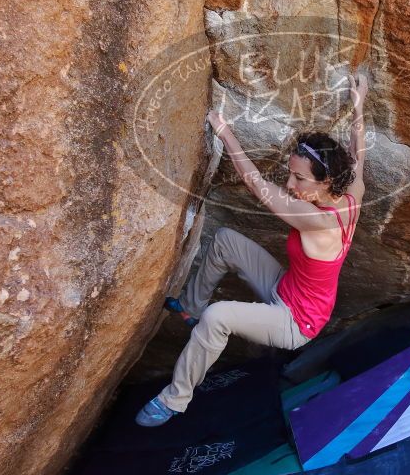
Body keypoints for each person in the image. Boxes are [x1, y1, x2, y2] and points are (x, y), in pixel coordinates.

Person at [135, 73, 370, 427]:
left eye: (299, 179)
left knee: (220, 317)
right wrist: (358, 104)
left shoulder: (315, 218)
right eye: (291, 174)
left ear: (324, 182)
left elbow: (255, 184)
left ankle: (174, 399)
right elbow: (357, 151)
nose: (290, 184)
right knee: (226, 240)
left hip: (295, 322)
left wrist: (226, 132)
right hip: (287, 288)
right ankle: (190, 307)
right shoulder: (351, 189)